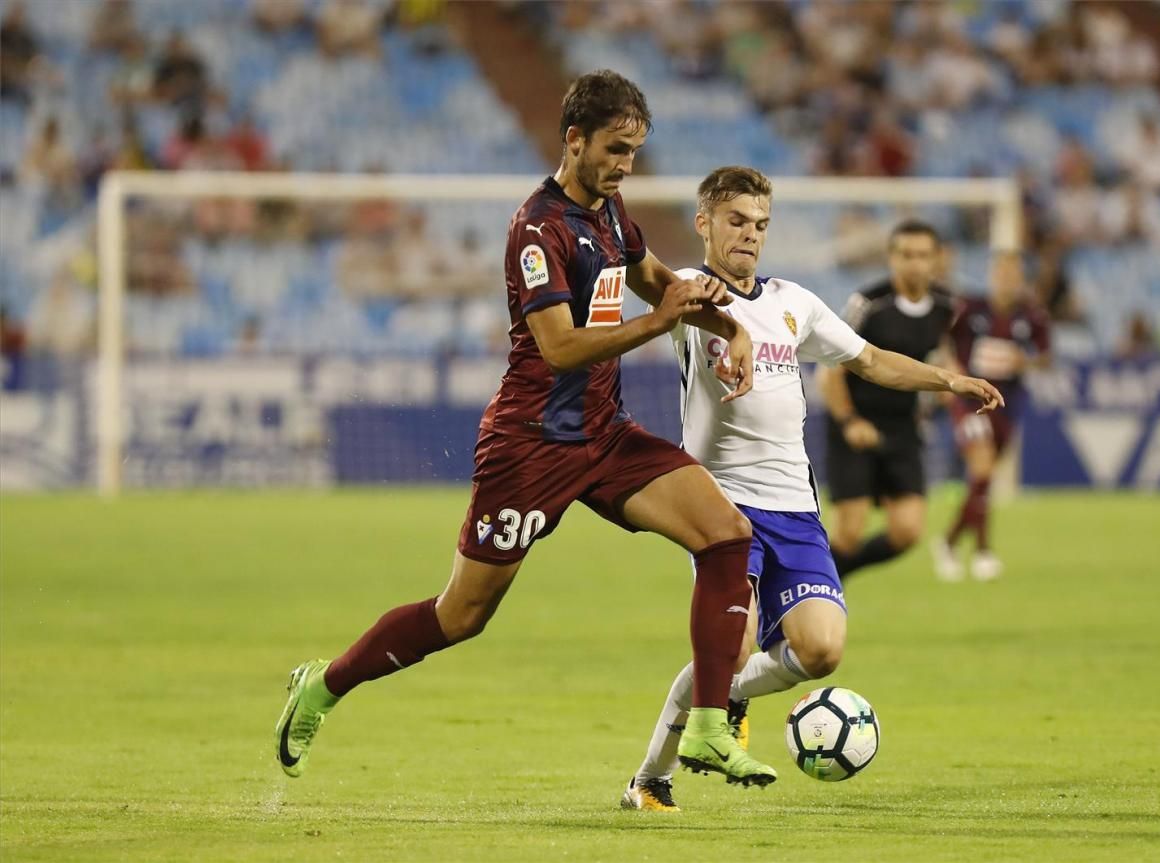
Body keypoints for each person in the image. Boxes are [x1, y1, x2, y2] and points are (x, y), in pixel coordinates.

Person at [274, 70, 780, 788]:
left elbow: (655, 277)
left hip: (604, 435)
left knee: (726, 532)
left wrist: (726, 325)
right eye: (614, 149)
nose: (625, 164)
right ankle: (323, 684)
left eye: (634, 151)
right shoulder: (536, 230)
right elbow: (561, 347)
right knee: (462, 614)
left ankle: (705, 727)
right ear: (573, 140)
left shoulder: (609, 209)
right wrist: (660, 322)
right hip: (532, 446)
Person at [622, 168, 1003, 811]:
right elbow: (643, 273)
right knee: (731, 649)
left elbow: (871, 361)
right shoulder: (690, 298)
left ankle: (733, 693)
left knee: (822, 650)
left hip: (795, 507)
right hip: (721, 506)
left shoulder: (793, 302)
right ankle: (651, 777)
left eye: (760, 224)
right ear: (704, 223)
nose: (750, 235)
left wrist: (949, 381)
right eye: (737, 221)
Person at [818, 220, 956, 580]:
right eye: (906, 255)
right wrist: (848, 421)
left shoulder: (947, 310)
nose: (914, 263)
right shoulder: (868, 304)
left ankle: (829, 578)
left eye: (923, 255)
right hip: (856, 422)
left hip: (902, 429)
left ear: (936, 260)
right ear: (891, 258)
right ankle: (816, 588)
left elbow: (947, 360)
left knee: (908, 531)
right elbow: (830, 371)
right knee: (847, 533)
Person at [933, 252, 1050, 581]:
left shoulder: (1031, 315)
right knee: (982, 467)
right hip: (970, 399)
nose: (1007, 280)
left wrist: (1023, 362)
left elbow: (1046, 356)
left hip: (1007, 403)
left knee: (982, 480)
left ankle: (949, 542)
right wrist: (949, 372)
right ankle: (983, 551)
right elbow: (944, 339)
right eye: (1001, 273)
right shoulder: (971, 308)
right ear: (993, 275)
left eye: (1013, 274)